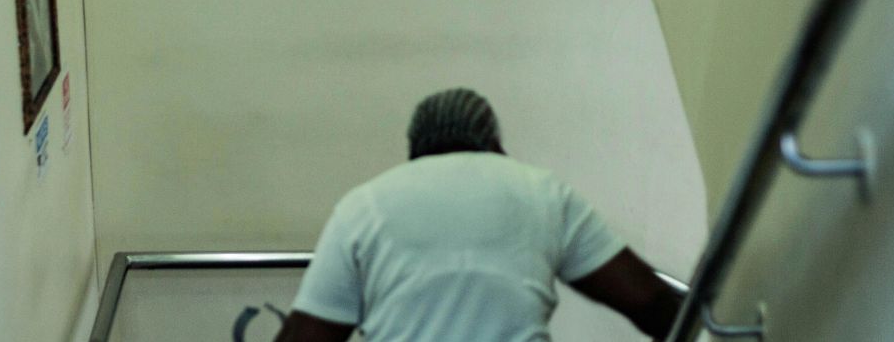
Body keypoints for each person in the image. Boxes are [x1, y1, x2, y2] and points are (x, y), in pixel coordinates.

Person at [274, 88, 683, 342]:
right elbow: (649, 302)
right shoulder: (542, 192)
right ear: (494, 143)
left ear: (414, 150)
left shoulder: (364, 205)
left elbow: (308, 335)